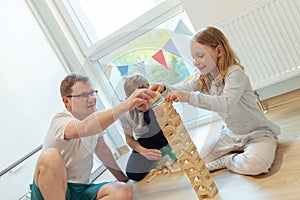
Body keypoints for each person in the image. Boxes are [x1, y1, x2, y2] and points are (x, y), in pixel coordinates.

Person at [150, 26, 281, 175]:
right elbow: (185, 88)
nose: (195, 62)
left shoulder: (234, 73)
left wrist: (189, 98)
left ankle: (227, 161)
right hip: (230, 136)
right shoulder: (204, 77)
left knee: (257, 165)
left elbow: (226, 104)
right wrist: (164, 88)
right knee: (198, 160)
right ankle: (238, 154)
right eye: (193, 57)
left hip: (257, 134)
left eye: (200, 55)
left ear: (218, 51)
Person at [30, 73, 156, 200]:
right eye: (83, 95)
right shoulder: (60, 121)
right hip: (50, 192)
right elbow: (84, 128)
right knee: (50, 156)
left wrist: (123, 179)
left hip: (80, 189)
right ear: (66, 101)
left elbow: (102, 150)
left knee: (122, 191)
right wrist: (126, 105)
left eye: (92, 93)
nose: (91, 99)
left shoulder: (93, 119)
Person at [119, 75, 177, 181]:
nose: (144, 101)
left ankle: (166, 147)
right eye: (138, 99)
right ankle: (157, 153)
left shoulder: (158, 100)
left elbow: (174, 124)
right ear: (128, 100)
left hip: (164, 134)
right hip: (145, 141)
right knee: (133, 174)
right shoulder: (124, 113)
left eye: (146, 96)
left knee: (153, 111)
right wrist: (144, 151)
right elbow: (129, 139)